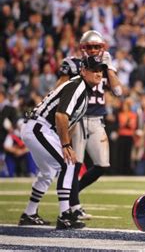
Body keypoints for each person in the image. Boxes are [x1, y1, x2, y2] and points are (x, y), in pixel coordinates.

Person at [18, 56, 105, 229]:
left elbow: (68, 122)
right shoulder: (78, 86)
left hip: (40, 128)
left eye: (100, 70)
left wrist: (66, 144)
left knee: (48, 172)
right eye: (93, 70)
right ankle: (65, 214)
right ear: (83, 71)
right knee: (68, 163)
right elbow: (60, 116)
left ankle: (29, 213)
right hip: (40, 127)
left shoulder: (83, 89)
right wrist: (65, 146)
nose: (98, 74)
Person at [56, 30, 123, 220]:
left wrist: (108, 67)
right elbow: (58, 90)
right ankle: (74, 205)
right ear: (82, 48)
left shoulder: (105, 64)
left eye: (97, 47)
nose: (93, 51)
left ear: (102, 48)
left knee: (102, 164)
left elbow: (118, 91)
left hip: (97, 120)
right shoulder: (72, 63)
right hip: (78, 118)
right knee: (75, 164)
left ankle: (71, 191)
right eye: (89, 47)